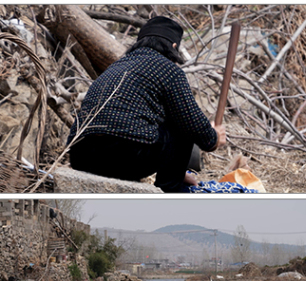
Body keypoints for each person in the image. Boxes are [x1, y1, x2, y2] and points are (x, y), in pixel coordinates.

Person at [67, 16, 226, 192]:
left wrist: (178, 171)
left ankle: (174, 180)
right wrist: (214, 137)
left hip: (81, 156)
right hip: (127, 156)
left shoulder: (114, 68)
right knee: (180, 122)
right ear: (174, 47)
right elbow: (195, 126)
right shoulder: (169, 70)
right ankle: (171, 190)